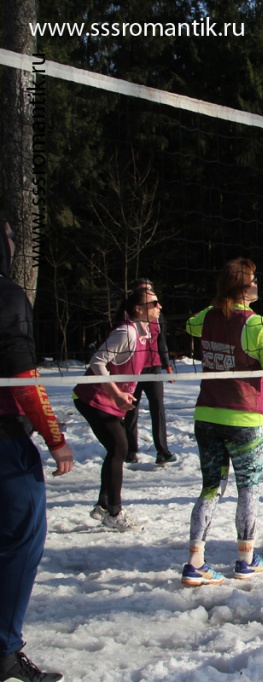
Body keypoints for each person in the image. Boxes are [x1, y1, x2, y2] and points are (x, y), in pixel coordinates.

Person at [181, 258, 263, 586]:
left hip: (207, 415)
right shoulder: (258, 325)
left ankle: (195, 563)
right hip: (244, 418)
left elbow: (190, 325)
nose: (258, 284)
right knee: (248, 487)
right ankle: (246, 561)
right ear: (244, 288)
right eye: (253, 280)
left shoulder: (208, 317)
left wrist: (220, 303)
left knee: (210, 488)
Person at [0, 219, 74, 682]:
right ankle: (4, 651)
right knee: (22, 539)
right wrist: (56, 440)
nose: (13, 241)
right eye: (8, 235)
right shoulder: (7, 296)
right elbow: (25, 380)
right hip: (5, 443)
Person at [73, 287, 161, 531]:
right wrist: (116, 393)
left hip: (109, 400)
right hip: (92, 398)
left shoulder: (144, 331)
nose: (159, 307)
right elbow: (97, 361)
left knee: (117, 449)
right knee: (119, 447)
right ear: (138, 309)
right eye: (154, 303)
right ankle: (114, 512)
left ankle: (104, 505)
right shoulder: (126, 332)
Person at [122, 278, 177, 466]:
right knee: (131, 409)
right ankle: (130, 451)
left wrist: (167, 366)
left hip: (153, 368)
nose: (154, 301)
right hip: (133, 370)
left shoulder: (157, 317)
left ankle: (162, 451)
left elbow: (162, 342)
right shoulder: (126, 317)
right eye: (144, 291)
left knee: (158, 409)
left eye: (151, 290)